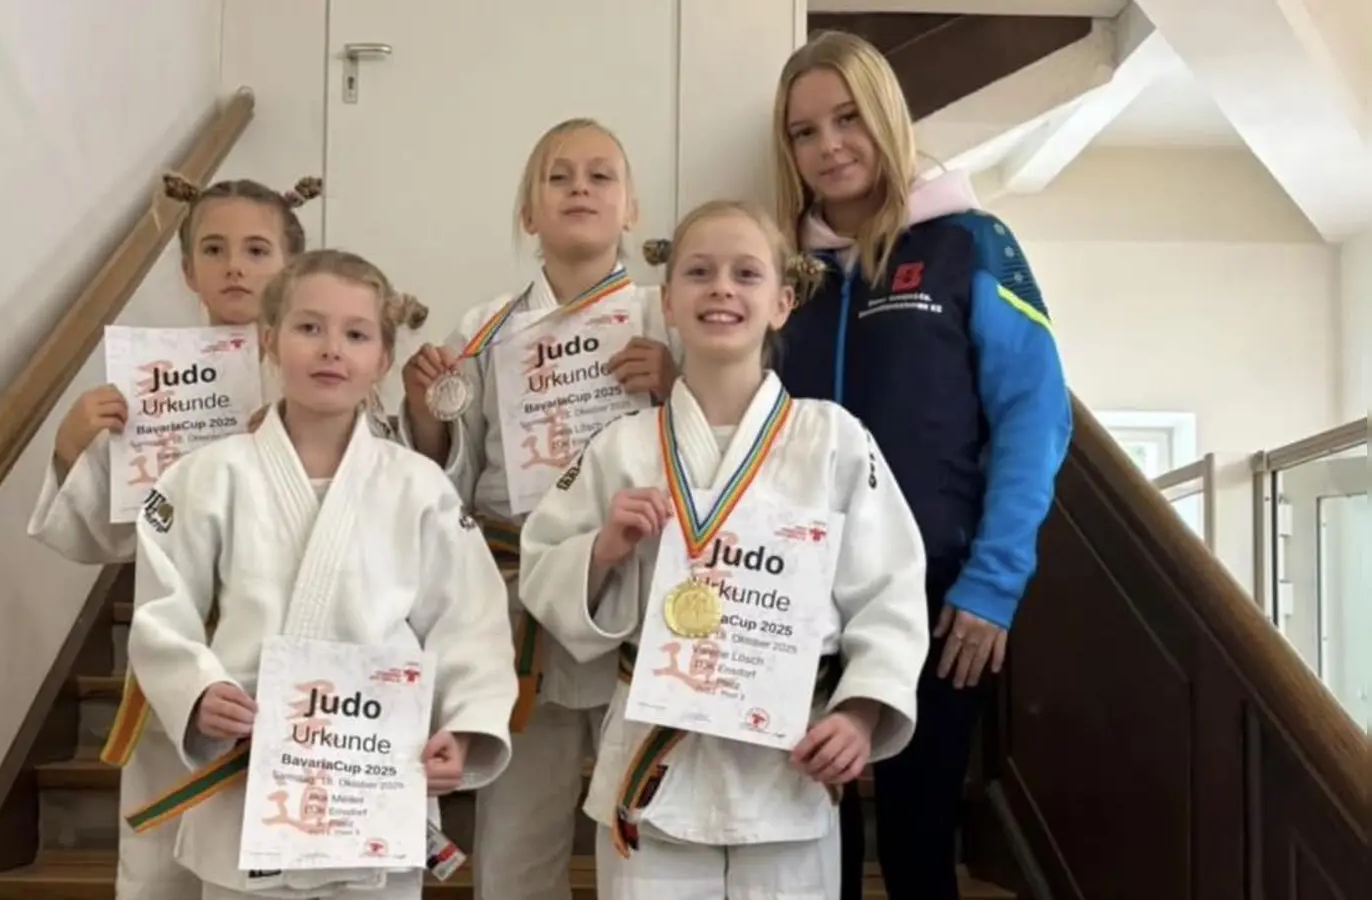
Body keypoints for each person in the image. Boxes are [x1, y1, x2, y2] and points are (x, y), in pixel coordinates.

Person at [517, 199, 931, 899]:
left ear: (781, 303)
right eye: (699, 273)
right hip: (654, 770)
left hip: (788, 764)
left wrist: (861, 711)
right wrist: (603, 550)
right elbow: (542, 569)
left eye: (747, 274)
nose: (722, 289)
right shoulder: (622, 445)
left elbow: (890, 590)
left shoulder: (832, 438)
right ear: (668, 303)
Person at [771, 31, 1073, 900]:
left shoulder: (970, 242)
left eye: (848, 118)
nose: (829, 145)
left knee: (917, 836)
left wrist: (994, 583)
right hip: (794, 595)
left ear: (887, 119)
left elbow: (1035, 415)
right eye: (803, 131)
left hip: (940, 599)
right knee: (810, 838)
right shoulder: (784, 268)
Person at [126, 249, 520, 900]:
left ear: (382, 360)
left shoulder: (418, 485)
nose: (331, 349)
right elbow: (161, 608)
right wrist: (198, 690)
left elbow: (470, 621)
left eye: (356, 334)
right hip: (250, 783)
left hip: (373, 787)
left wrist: (467, 723)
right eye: (309, 327)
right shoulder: (209, 475)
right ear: (271, 340)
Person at [399, 117, 680, 900]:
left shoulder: (667, 318)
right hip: (519, 593)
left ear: (631, 209)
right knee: (518, 838)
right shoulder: (484, 329)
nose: (580, 188)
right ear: (529, 213)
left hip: (639, 588)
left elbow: (717, 449)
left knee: (643, 831)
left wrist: (670, 385)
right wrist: (426, 413)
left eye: (600, 176)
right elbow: (451, 473)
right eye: (558, 177)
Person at [26, 172, 320, 900]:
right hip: (175, 653)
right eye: (214, 249)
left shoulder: (319, 373)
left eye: (257, 250)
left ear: (291, 266)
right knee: (153, 860)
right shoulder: (150, 380)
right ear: (187, 269)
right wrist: (71, 450)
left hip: (274, 657)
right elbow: (110, 537)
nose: (235, 266)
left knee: (264, 862)